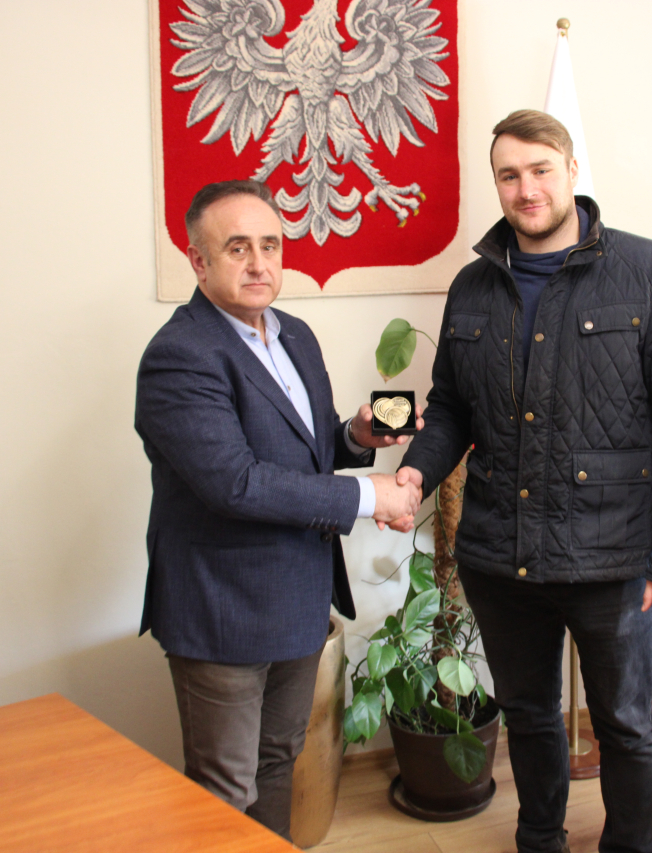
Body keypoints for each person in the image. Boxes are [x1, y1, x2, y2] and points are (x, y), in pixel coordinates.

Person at [395, 110, 652, 853]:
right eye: (509, 175)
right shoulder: (472, 287)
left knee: (625, 724)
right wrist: (414, 471)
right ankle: (539, 839)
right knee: (530, 718)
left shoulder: (649, 272)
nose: (526, 188)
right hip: (501, 559)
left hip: (614, 560)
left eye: (540, 169)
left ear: (572, 170)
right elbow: (450, 407)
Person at [135, 179, 422, 840]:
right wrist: (369, 494)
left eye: (270, 245)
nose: (259, 263)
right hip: (223, 608)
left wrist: (355, 436)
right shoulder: (179, 355)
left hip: (298, 599)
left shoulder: (294, 334)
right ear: (198, 260)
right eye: (237, 248)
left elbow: (301, 449)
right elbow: (236, 482)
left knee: (277, 761)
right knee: (224, 786)